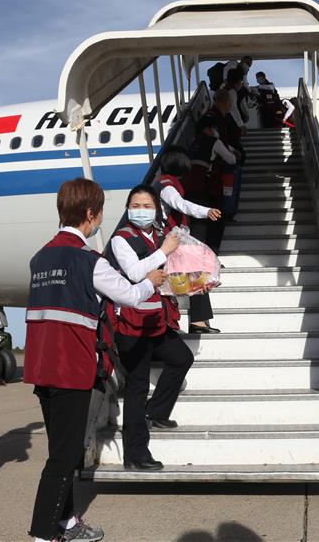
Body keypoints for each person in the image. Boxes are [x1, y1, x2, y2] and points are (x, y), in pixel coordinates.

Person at [25, 177, 165, 542]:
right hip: (72, 367)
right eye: (100, 211)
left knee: (61, 449)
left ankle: (68, 521)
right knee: (64, 457)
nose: (102, 217)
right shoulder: (89, 259)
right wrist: (151, 279)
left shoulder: (40, 257)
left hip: (41, 367)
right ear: (90, 213)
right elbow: (131, 296)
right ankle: (43, 534)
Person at [106, 185, 194, 470]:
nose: (141, 210)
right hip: (132, 324)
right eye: (136, 205)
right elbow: (134, 273)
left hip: (155, 320)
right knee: (137, 385)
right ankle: (135, 454)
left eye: (147, 206)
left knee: (182, 358)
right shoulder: (122, 239)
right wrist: (164, 251)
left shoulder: (158, 235)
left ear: (156, 209)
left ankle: (156, 411)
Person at [154, 149, 222, 334]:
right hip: (169, 242)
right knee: (198, 273)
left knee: (197, 274)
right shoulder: (168, 187)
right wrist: (206, 211)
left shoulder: (163, 183)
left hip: (171, 240)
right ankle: (198, 322)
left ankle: (197, 321)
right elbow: (181, 205)